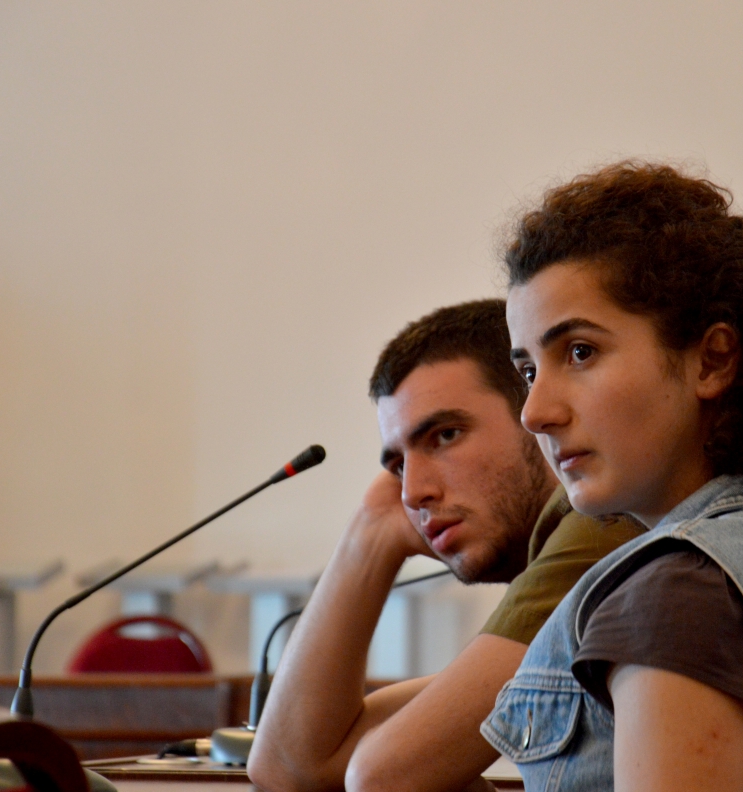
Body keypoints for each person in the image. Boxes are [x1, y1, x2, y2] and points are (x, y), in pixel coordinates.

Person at [481, 161, 743, 791]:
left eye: (580, 352)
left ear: (712, 360)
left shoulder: (678, 593)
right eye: (529, 371)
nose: (535, 412)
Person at [248, 300, 646, 792]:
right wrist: (372, 531)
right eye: (398, 466)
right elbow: (289, 764)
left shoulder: (607, 524)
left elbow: (381, 777)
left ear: (534, 413)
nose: (412, 493)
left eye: (445, 435)